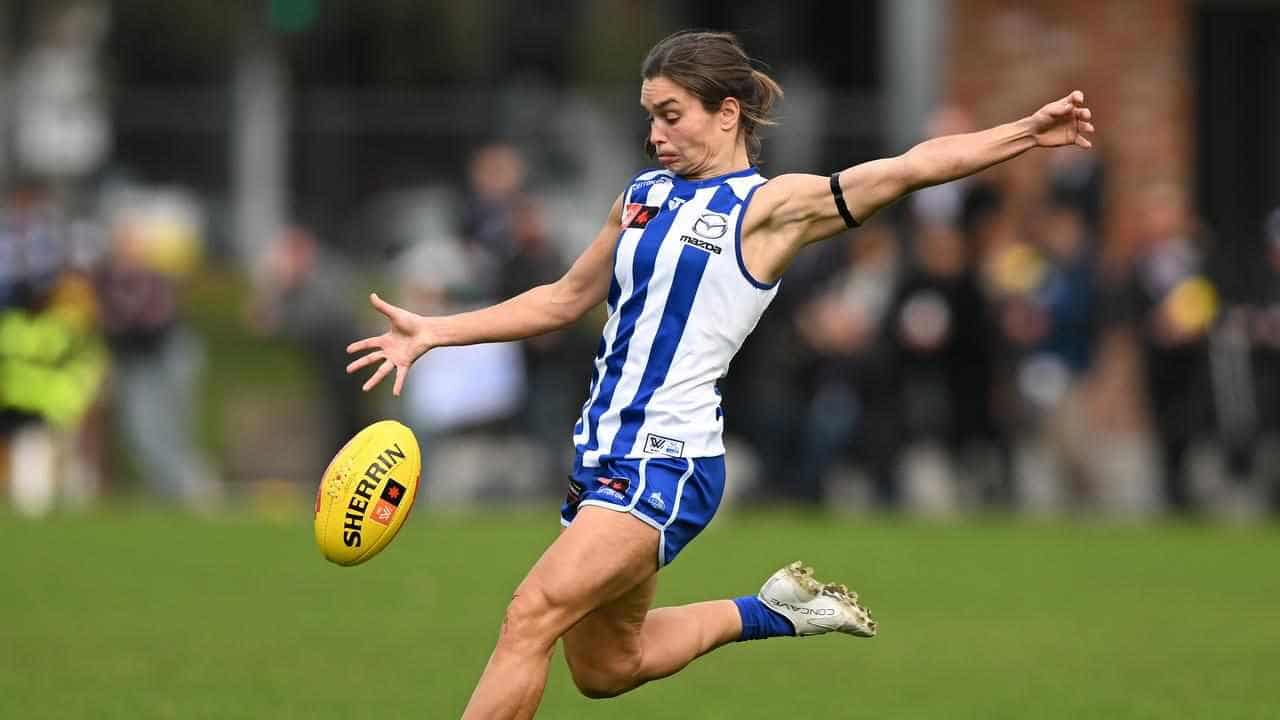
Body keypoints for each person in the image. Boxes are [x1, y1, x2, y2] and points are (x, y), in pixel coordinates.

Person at [345, 30, 1094, 719]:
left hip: (666, 462)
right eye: (650, 117)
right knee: (607, 667)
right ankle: (772, 611)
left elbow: (907, 170)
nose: (654, 134)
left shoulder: (768, 210)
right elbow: (563, 298)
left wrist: (1028, 132)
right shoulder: (641, 198)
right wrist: (435, 331)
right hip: (600, 454)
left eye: (671, 115)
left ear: (726, 112)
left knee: (529, 613)